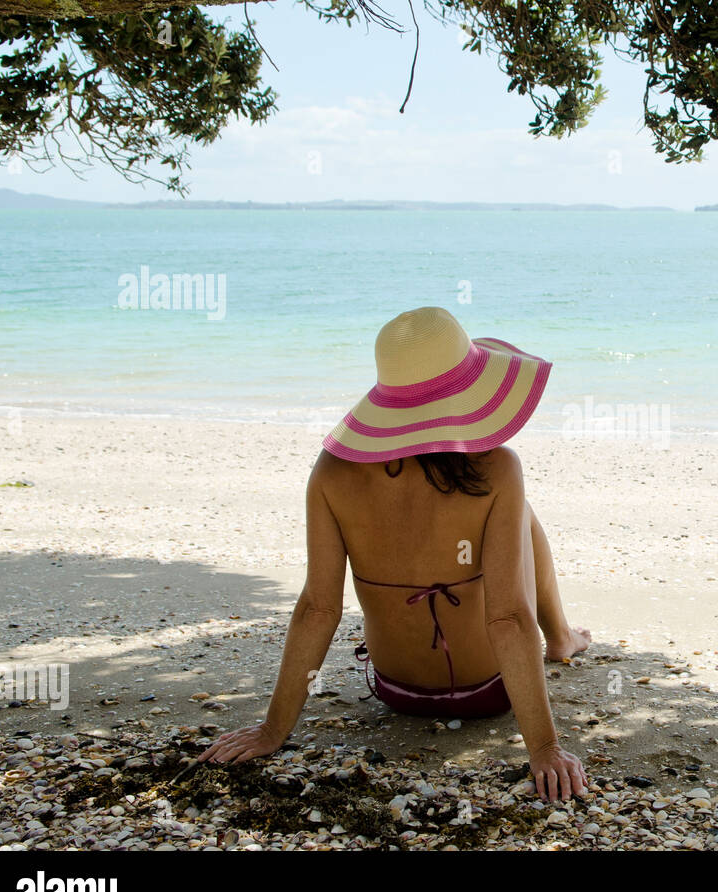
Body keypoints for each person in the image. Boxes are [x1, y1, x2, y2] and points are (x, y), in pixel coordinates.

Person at [198, 306, 591, 802]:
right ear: (467, 394)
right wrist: (545, 750)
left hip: (395, 691)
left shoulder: (333, 472)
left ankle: (560, 635)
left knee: (509, 514)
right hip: (489, 692)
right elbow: (509, 618)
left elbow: (318, 608)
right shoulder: (496, 470)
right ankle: (560, 637)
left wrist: (272, 731)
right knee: (518, 513)